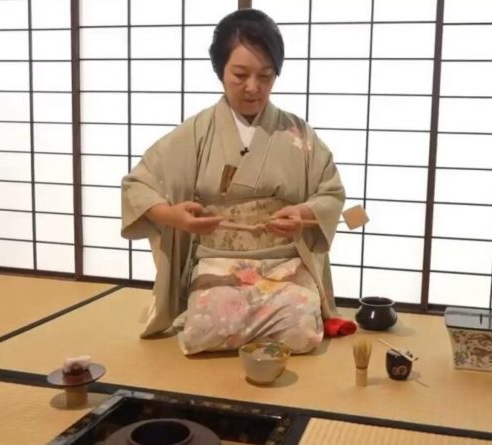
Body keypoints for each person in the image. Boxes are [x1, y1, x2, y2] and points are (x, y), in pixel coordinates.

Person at [121, 9, 346, 355]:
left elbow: (331, 192)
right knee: (204, 328)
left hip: (283, 261)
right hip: (218, 261)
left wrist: (302, 213)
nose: (253, 87)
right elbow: (138, 184)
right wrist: (174, 217)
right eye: (240, 75)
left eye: (265, 76)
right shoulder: (196, 132)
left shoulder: (298, 134)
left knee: (302, 330)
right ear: (220, 70)